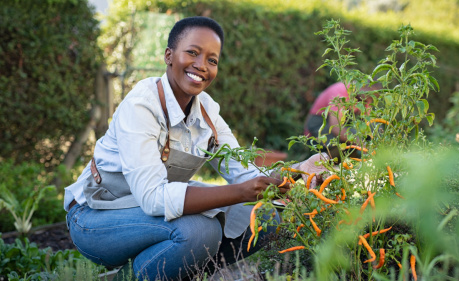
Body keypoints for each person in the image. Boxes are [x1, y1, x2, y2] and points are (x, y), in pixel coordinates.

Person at [64, 16, 325, 281]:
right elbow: (154, 197)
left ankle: (179, 275)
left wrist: (298, 171)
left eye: (212, 60)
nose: (201, 66)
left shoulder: (207, 112)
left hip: (145, 213)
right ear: (169, 55)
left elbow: (245, 173)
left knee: (267, 217)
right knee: (200, 232)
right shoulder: (141, 107)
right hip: (95, 217)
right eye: (192, 53)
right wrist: (240, 192)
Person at [304, 82, 379, 160]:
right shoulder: (340, 91)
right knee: (351, 140)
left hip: (339, 126)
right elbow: (335, 128)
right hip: (318, 127)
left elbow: (369, 122)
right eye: (369, 96)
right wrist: (360, 143)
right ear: (362, 87)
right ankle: (323, 162)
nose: (369, 101)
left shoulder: (365, 98)